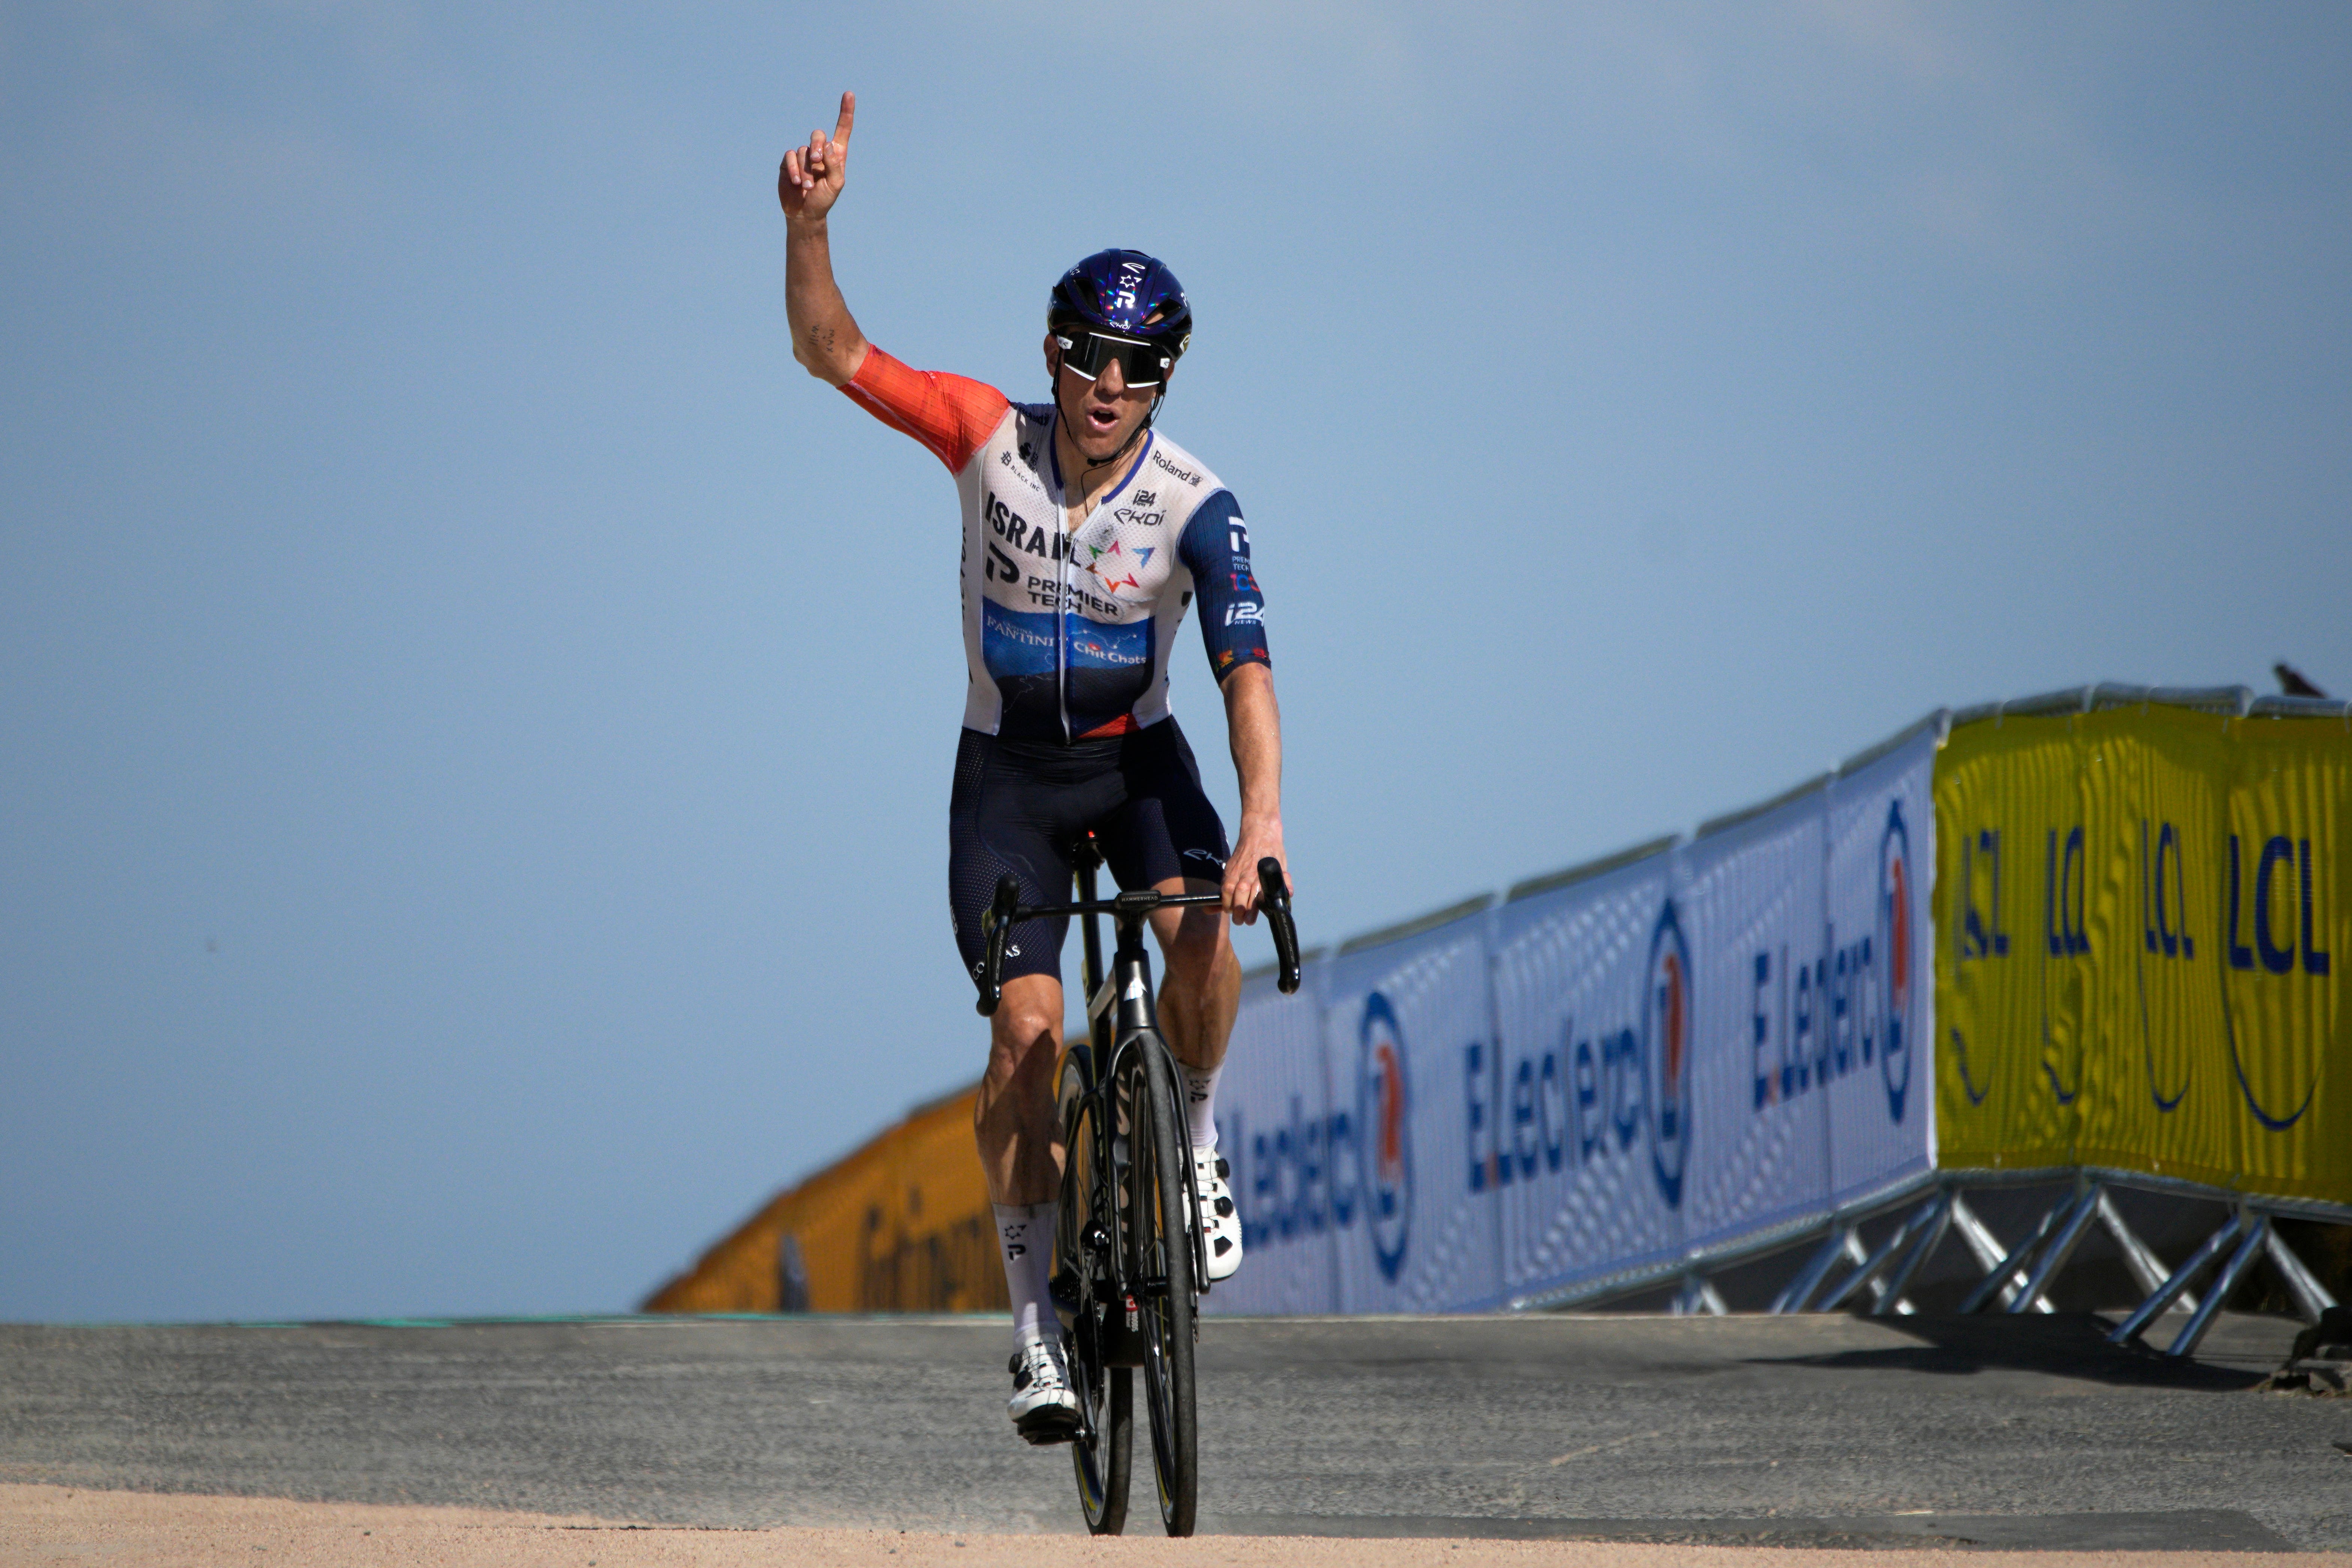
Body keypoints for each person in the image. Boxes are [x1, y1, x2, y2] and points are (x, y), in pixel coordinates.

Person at [778, 94, 1290, 1443]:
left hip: (1136, 766)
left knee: (1197, 926)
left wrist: (1265, 826)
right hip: (1006, 775)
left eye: (1132, 365)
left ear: (1163, 376)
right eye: (1083, 358)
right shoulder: (981, 439)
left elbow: (1246, 672)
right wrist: (808, 227)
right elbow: (831, 351)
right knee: (1026, 1034)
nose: (1104, 386)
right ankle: (1031, 1333)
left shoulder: (1195, 501)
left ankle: (1191, 1141)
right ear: (1050, 357)